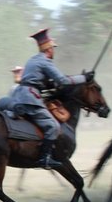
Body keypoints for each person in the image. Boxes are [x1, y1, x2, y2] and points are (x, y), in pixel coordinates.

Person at [11, 28, 94, 169]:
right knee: (52, 125)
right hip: (30, 97)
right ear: (49, 49)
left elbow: (43, 81)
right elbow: (62, 80)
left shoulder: (33, 60)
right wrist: (84, 78)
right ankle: (45, 158)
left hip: (20, 96)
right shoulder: (45, 61)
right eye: (53, 48)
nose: (53, 51)